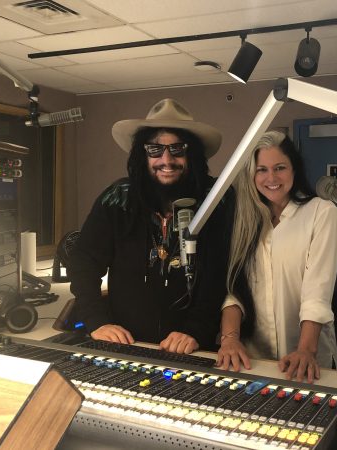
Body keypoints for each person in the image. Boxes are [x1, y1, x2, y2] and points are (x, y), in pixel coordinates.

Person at [68, 98, 232, 354]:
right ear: (142, 154)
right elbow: (83, 262)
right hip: (127, 345)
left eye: (178, 149)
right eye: (155, 150)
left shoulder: (217, 200)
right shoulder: (116, 199)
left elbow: (223, 273)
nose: (166, 160)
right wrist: (97, 321)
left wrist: (196, 329)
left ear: (192, 154)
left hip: (194, 347)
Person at [217, 130, 337, 382]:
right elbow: (234, 289)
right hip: (252, 359)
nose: (271, 178)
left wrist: (306, 350)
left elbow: (316, 294)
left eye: (280, 167)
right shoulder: (242, 219)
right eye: (261, 169)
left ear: (294, 170)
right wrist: (229, 340)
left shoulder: (322, 213)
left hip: (305, 360)